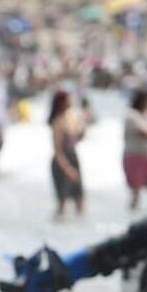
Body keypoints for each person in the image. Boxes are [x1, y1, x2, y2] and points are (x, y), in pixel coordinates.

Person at [48, 89, 85, 219]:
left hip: (73, 157)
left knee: (79, 197)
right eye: (68, 99)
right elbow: (57, 150)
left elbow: (78, 138)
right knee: (62, 200)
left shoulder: (72, 117)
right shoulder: (57, 121)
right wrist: (67, 168)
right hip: (62, 161)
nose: (71, 101)